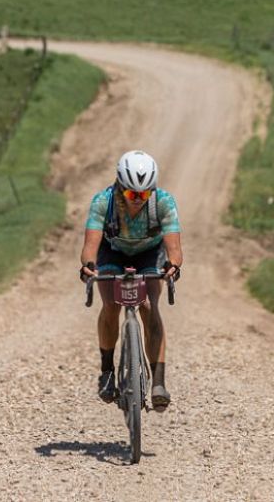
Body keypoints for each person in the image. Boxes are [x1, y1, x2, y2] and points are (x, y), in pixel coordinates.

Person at [79, 150, 182, 411]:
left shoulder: (164, 202)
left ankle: (158, 382)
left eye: (144, 194)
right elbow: (91, 244)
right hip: (112, 250)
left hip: (149, 253)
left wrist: (173, 266)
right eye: (131, 194)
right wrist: (88, 266)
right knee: (111, 305)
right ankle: (107, 372)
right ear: (120, 186)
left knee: (149, 306)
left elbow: (174, 247)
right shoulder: (103, 201)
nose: (138, 200)